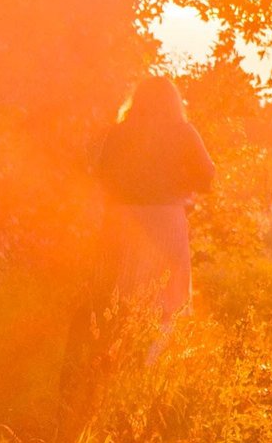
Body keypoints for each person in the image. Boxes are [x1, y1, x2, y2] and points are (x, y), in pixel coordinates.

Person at [92, 71, 217, 351]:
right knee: (166, 293)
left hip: (122, 219)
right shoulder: (183, 131)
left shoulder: (118, 132)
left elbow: (103, 175)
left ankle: (114, 355)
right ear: (174, 102)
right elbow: (208, 175)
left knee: (122, 288)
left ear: (137, 101)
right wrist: (182, 184)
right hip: (165, 217)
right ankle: (152, 361)